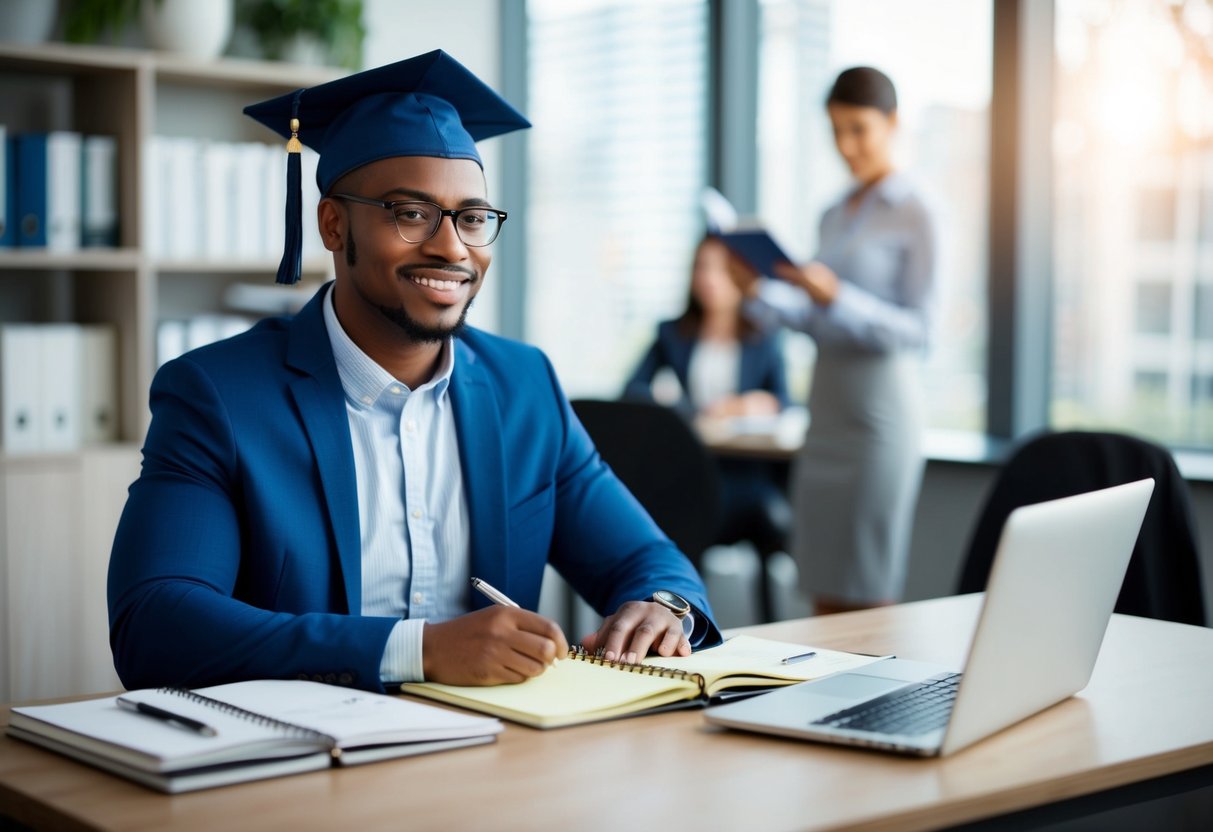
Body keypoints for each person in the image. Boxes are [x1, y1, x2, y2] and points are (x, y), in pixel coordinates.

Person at [107, 50, 721, 695]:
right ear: (333, 224)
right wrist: (416, 650)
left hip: (497, 752)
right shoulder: (221, 397)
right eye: (411, 213)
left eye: (473, 218)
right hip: (305, 758)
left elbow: (647, 560)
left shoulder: (523, 386)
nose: (452, 247)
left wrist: (663, 607)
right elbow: (156, 622)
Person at [736, 66, 936, 615]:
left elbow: (919, 330)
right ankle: (830, 700)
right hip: (826, 409)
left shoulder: (918, 211)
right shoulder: (833, 212)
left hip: (879, 416)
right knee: (822, 578)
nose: (846, 146)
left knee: (868, 581)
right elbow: (815, 319)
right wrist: (756, 293)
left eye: (859, 130)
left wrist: (837, 296)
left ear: (892, 123)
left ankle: (877, 702)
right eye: (836, 131)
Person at [623, 234, 791, 619]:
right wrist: (685, 410)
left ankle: (684, 613)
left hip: (743, 472)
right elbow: (634, 390)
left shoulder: (765, 334)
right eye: (701, 267)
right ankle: (672, 613)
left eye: (720, 269)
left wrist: (746, 405)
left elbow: (784, 400)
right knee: (667, 501)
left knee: (695, 506)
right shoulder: (672, 332)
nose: (709, 278)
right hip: (688, 464)